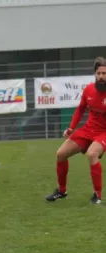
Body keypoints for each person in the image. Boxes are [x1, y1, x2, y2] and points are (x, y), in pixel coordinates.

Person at [46, 57, 106, 204]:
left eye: (104, 73)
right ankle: (62, 191)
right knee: (61, 154)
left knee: (92, 154)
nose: (101, 76)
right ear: (95, 74)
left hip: (104, 132)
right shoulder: (89, 90)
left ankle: (97, 195)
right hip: (88, 130)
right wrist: (71, 128)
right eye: (99, 73)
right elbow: (80, 109)